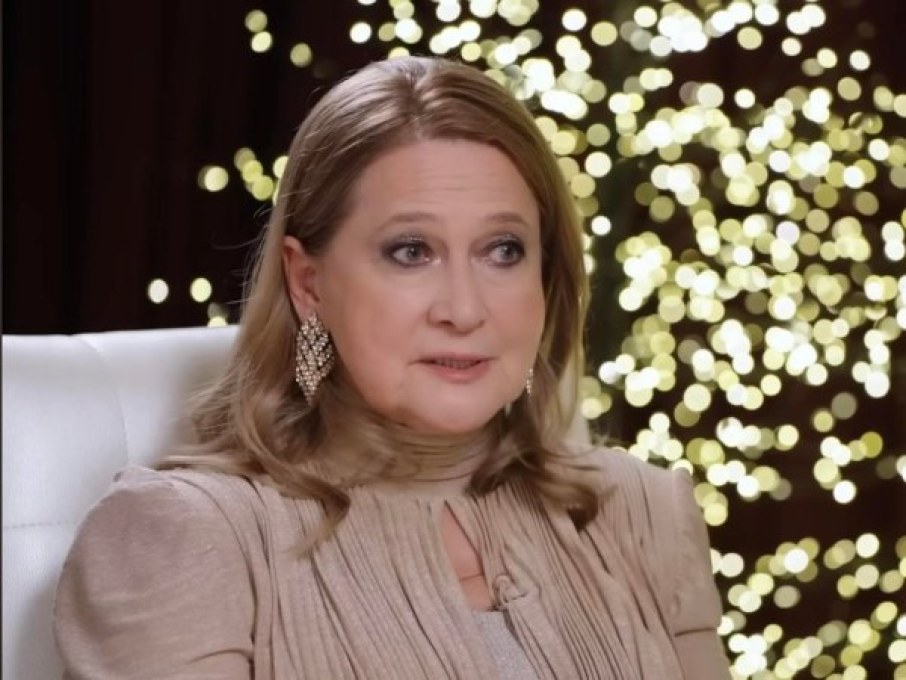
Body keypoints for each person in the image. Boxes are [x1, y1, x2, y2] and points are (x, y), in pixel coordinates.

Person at [54, 56, 730, 679]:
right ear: (308, 283)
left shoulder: (641, 510)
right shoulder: (185, 535)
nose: (464, 309)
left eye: (503, 250)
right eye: (411, 251)